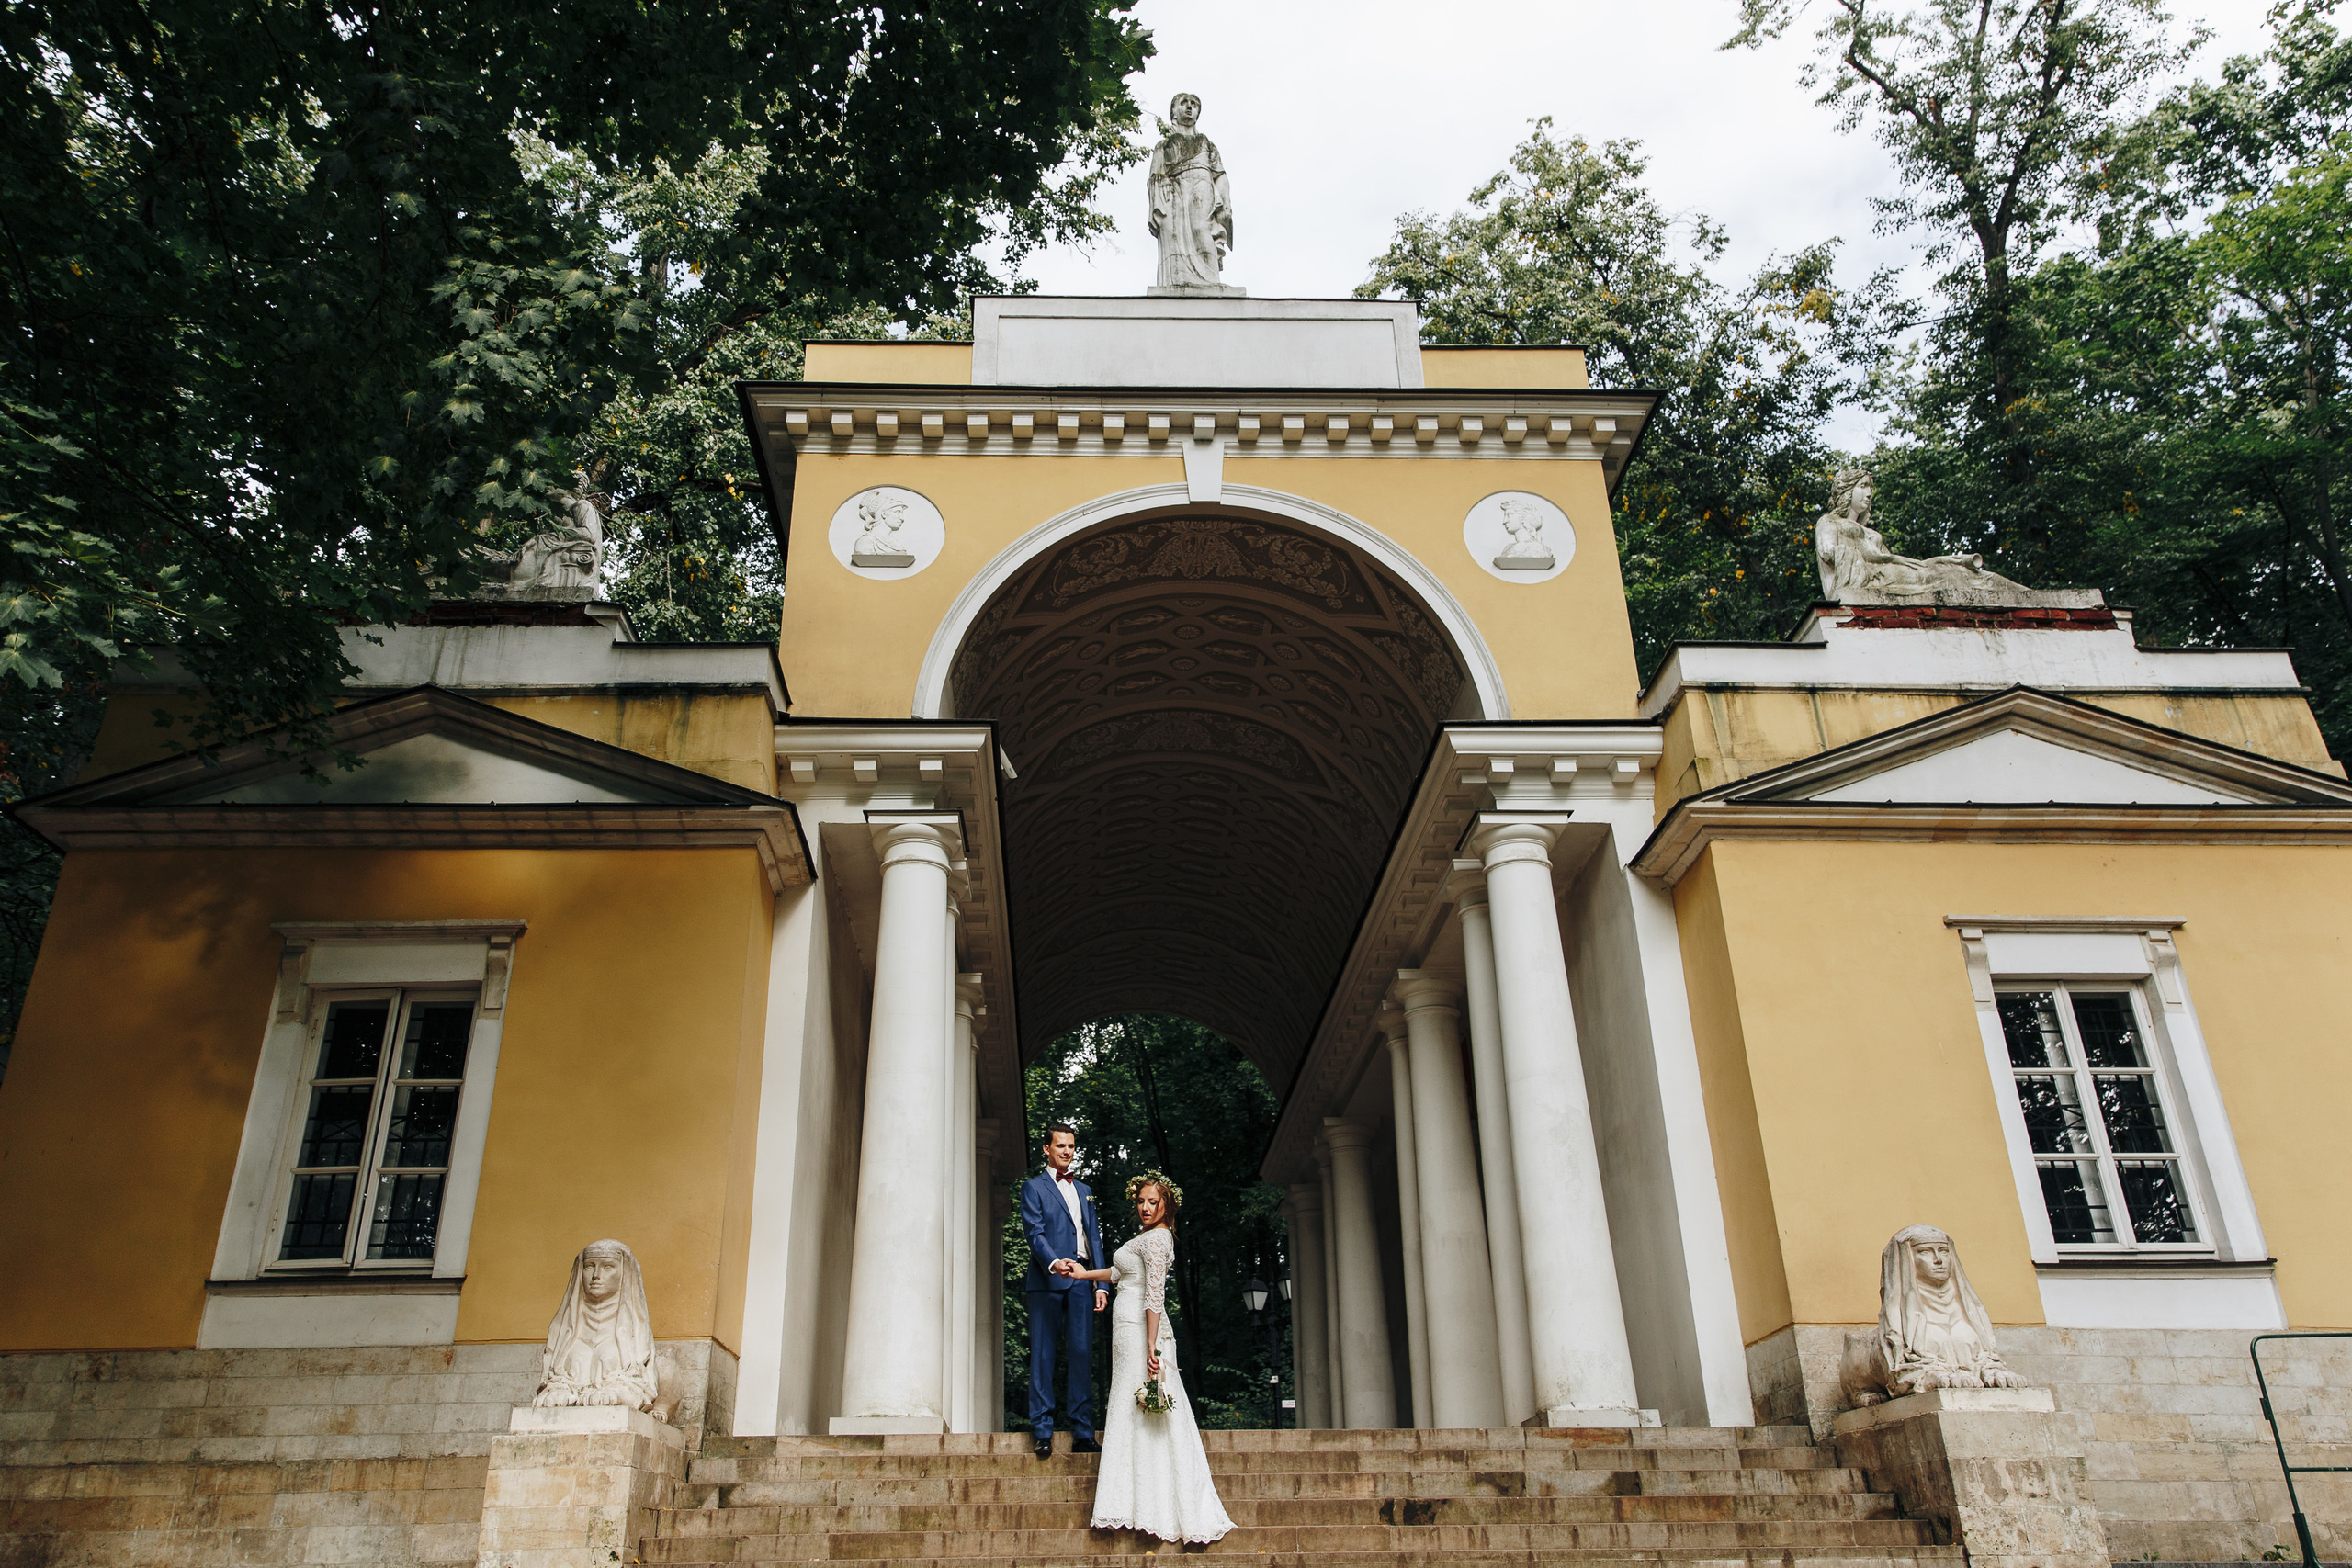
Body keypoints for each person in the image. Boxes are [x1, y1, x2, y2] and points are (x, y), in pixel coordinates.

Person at [1054, 1173, 1234, 1544]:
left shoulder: (1158, 1238)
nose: (1146, 1207)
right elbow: (1120, 1273)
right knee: (1129, 1407)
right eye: (1141, 1201)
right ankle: (1130, 1502)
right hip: (1126, 1331)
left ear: (1167, 1205)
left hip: (1141, 1330)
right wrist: (1085, 1273)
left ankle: (1157, 1504)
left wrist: (1152, 1346)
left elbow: (1155, 1295)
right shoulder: (1143, 1238)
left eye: (1153, 1202)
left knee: (1148, 1408)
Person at [1018, 1123, 1109, 1460]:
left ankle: (1083, 1432)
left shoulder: (1084, 1189)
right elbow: (1034, 1233)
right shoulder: (1033, 1187)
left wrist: (1100, 1285)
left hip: (1083, 1282)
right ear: (1046, 1149)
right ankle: (1043, 1432)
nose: (1067, 1151)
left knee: (1082, 1356)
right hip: (1046, 1281)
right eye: (1060, 1146)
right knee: (1043, 1356)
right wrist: (1054, 1262)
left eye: (1071, 1146)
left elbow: (1093, 1239)